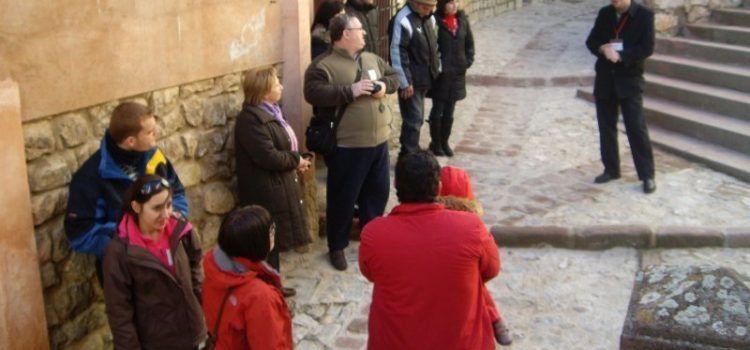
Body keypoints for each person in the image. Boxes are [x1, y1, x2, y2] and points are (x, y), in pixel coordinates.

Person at [359, 151, 500, 349]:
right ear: (439, 187)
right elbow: (491, 269)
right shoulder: (471, 228)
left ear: (396, 186)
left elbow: (370, 272)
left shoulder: (373, 234)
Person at [304, 13, 399, 271]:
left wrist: (383, 85)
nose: (365, 33)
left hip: (379, 143)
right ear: (345, 34)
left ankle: (373, 241)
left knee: (377, 195)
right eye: (359, 30)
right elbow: (312, 92)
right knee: (342, 200)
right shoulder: (322, 65)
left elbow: (395, 76)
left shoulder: (371, 59)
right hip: (347, 147)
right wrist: (350, 91)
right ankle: (337, 247)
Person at [65, 101, 188, 283]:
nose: (157, 133)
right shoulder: (90, 177)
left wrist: (174, 220)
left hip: (166, 258)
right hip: (124, 273)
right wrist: (129, 244)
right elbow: (80, 234)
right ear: (131, 141)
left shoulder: (156, 156)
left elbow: (177, 192)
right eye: (150, 132)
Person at [102, 175, 205, 349]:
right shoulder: (119, 253)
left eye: (169, 205)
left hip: (193, 335)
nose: (166, 214)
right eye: (157, 208)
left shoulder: (181, 231)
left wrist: (197, 297)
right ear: (136, 207)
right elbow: (120, 313)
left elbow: (195, 261)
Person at [235, 65, 312, 296]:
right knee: (265, 242)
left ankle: (272, 286)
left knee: (273, 242)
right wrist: (295, 160)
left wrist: (296, 159)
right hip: (264, 189)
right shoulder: (250, 120)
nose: (280, 86)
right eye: (276, 84)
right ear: (264, 90)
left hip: (277, 185)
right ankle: (266, 290)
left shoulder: (271, 112)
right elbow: (266, 155)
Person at [585, 0, 656, 193]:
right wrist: (603, 49)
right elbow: (591, 41)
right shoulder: (605, 13)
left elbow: (647, 48)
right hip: (606, 80)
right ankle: (611, 169)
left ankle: (647, 175)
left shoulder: (644, 16)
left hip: (629, 80)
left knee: (636, 128)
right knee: (606, 127)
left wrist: (622, 56)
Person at [437, 166, 513, 346]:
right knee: (473, 277)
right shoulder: (474, 225)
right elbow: (492, 268)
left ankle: (495, 318)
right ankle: (494, 318)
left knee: (470, 276)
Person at [202, 205, 293, 350]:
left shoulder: (214, 268)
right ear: (257, 243)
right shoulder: (260, 296)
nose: (273, 234)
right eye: (271, 230)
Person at [389, 0, 440, 156]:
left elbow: (434, 45)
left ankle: (411, 151)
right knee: (413, 120)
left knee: (417, 119)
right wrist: (405, 83)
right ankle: (408, 154)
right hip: (411, 82)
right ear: (416, 4)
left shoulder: (428, 18)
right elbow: (397, 53)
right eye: (427, 8)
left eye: (432, 8)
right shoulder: (402, 19)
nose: (430, 11)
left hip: (424, 78)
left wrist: (436, 68)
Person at [427, 0, 475, 157]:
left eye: (455, 2)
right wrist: (437, 67)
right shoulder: (434, 22)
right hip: (441, 75)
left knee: (450, 110)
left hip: (457, 74)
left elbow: (469, 44)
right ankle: (436, 143)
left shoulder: (462, 21)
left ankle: (445, 142)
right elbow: (431, 47)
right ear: (442, 5)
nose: (454, 5)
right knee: (438, 109)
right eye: (450, 2)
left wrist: (466, 61)